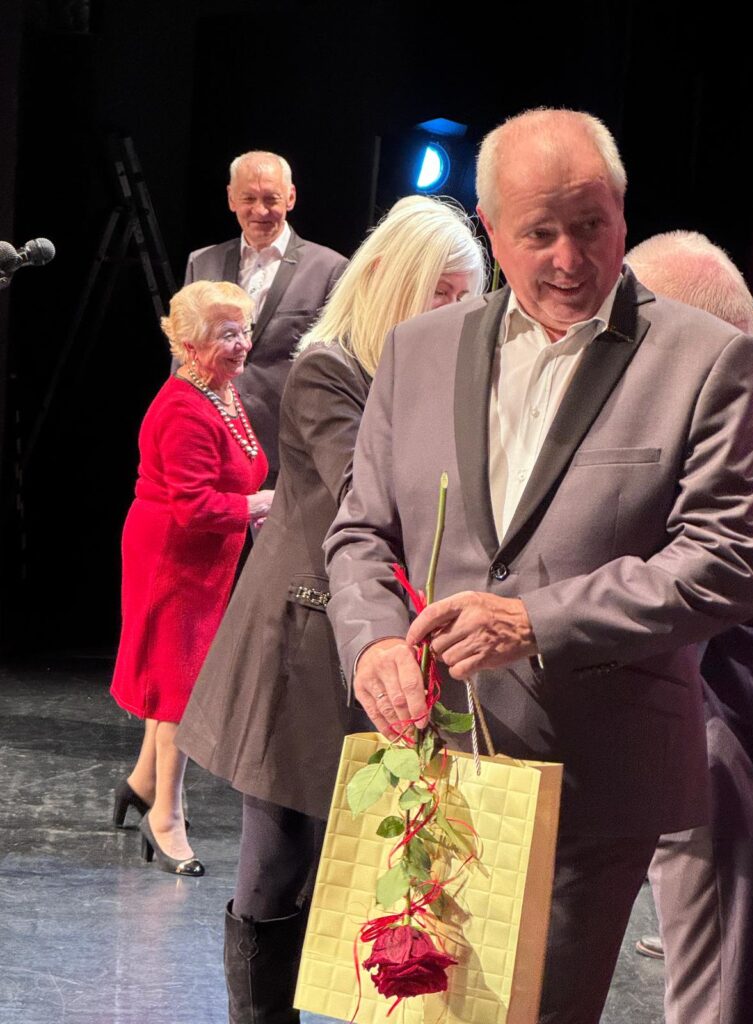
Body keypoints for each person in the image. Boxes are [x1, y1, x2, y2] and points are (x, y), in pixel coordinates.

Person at [324, 109, 753, 1024]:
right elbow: (360, 533)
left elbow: (728, 557)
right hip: (426, 766)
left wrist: (537, 622)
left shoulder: (705, 357)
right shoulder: (417, 351)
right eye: (540, 234)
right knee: (413, 1011)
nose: (571, 259)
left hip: (594, 774)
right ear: (492, 230)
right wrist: (371, 642)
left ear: (623, 211)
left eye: (592, 225)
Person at [176, 195, 486, 1022]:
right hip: (301, 641)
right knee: (279, 855)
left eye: (466, 297)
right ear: (392, 280)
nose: (455, 313)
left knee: (359, 860)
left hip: (377, 638)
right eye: (441, 292)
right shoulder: (329, 369)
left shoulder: (435, 380)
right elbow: (370, 495)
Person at [624, 231, 753, 1024]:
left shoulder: (737, 441)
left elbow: (690, 603)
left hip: (716, 749)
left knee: (715, 997)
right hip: (713, 742)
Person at [111, 280, 271, 877]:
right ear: (189, 345)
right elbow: (195, 506)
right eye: (227, 334)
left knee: (174, 677)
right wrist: (258, 504)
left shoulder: (221, 391)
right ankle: (165, 818)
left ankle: (140, 783)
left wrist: (250, 505)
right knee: (179, 689)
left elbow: (236, 471)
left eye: (244, 330)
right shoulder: (183, 407)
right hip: (171, 559)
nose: (242, 343)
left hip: (203, 559)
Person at [184, 150, 347, 484]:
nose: (260, 210)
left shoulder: (330, 269)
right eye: (248, 198)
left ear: (291, 197)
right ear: (231, 198)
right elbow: (183, 351)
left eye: (271, 199)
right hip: (209, 442)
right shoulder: (202, 263)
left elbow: (336, 367)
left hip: (288, 450)